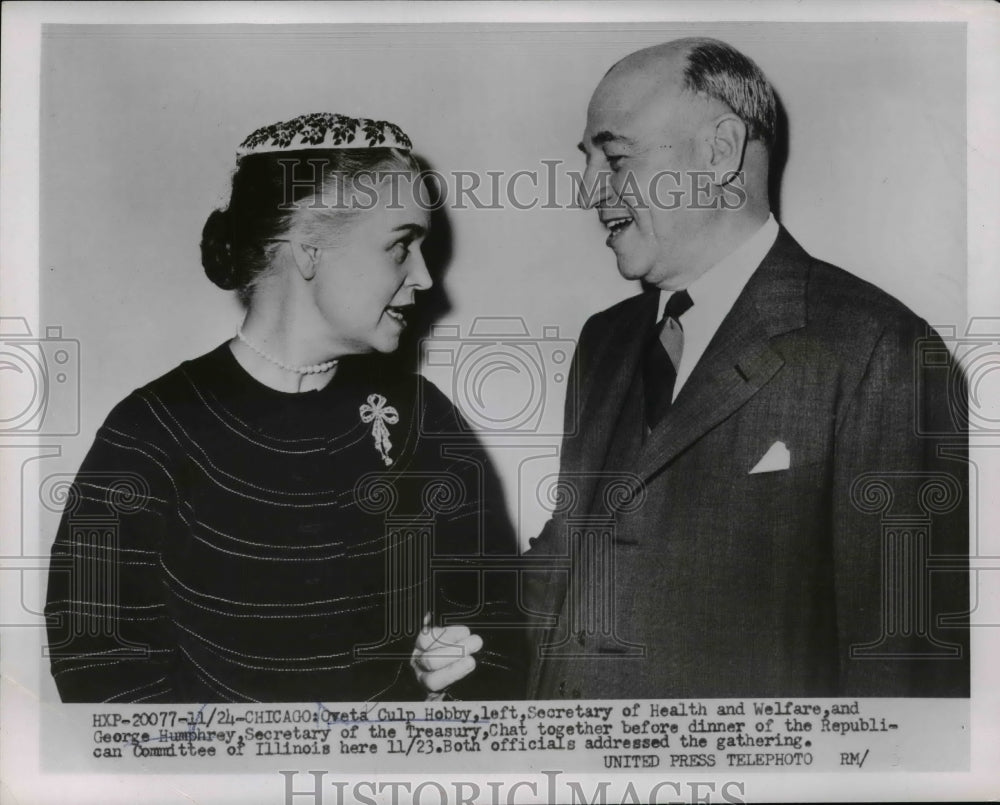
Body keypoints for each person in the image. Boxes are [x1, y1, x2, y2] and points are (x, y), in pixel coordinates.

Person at [519, 38, 969, 699]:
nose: (589, 189)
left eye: (614, 158)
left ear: (721, 152)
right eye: (588, 162)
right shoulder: (604, 341)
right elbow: (571, 559)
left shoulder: (880, 350)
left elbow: (899, 669)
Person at [43, 112, 521, 703]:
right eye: (401, 246)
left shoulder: (423, 417)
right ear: (309, 251)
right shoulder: (152, 430)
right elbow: (95, 660)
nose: (424, 278)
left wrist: (451, 680)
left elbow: (498, 612)